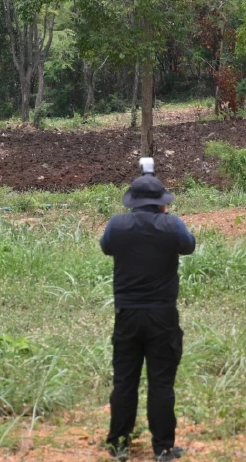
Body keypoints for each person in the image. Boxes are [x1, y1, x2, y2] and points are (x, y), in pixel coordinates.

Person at [99, 172, 196, 461]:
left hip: (127, 314)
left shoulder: (117, 225)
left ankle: (119, 445)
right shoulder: (172, 225)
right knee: (161, 383)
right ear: (161, 203)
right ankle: (163, 447)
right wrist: (167, 218)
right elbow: (188, 245)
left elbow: (106, 247)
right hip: (163, 316)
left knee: (125, 381)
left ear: (133, 203)